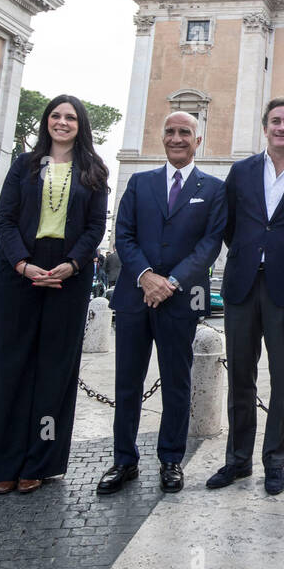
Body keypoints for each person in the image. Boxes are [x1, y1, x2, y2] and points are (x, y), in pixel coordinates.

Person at [0, 95, 109, 494]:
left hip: (69, 273)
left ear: (80, 125)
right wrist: (21, 264)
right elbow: (4, 218)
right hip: (22, 268)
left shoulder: (94, 170)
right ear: (46, 121)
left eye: (71, 117)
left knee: (55, 371)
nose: (63, 122)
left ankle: (40, 460)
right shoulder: (24, 165)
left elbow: (95, 227)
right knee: (11, 366)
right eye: (56, 115)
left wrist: (71, 265)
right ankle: (3, 462)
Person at [98, 112, 227, 496]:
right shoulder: (139, 183)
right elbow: (124, 234)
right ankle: (124, 459)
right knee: (127, 383)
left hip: (180, 300)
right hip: (136, 297)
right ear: (162, 137)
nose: (176, 138)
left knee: (176, 382)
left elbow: (209, 245)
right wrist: (146, 277)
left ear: (197, 140)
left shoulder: (214, 189)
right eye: (169, 131)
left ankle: (171, 459)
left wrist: (170, 282)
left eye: (184, 132)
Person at [207, 98, 284, 496]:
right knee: (241, 375)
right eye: (276, 121)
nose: (282, 128)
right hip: (243, 283)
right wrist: (250, 250)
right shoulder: (241, 171)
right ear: (265, 128)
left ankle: (275, 461)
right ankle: (237, 460)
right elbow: (229, 225)